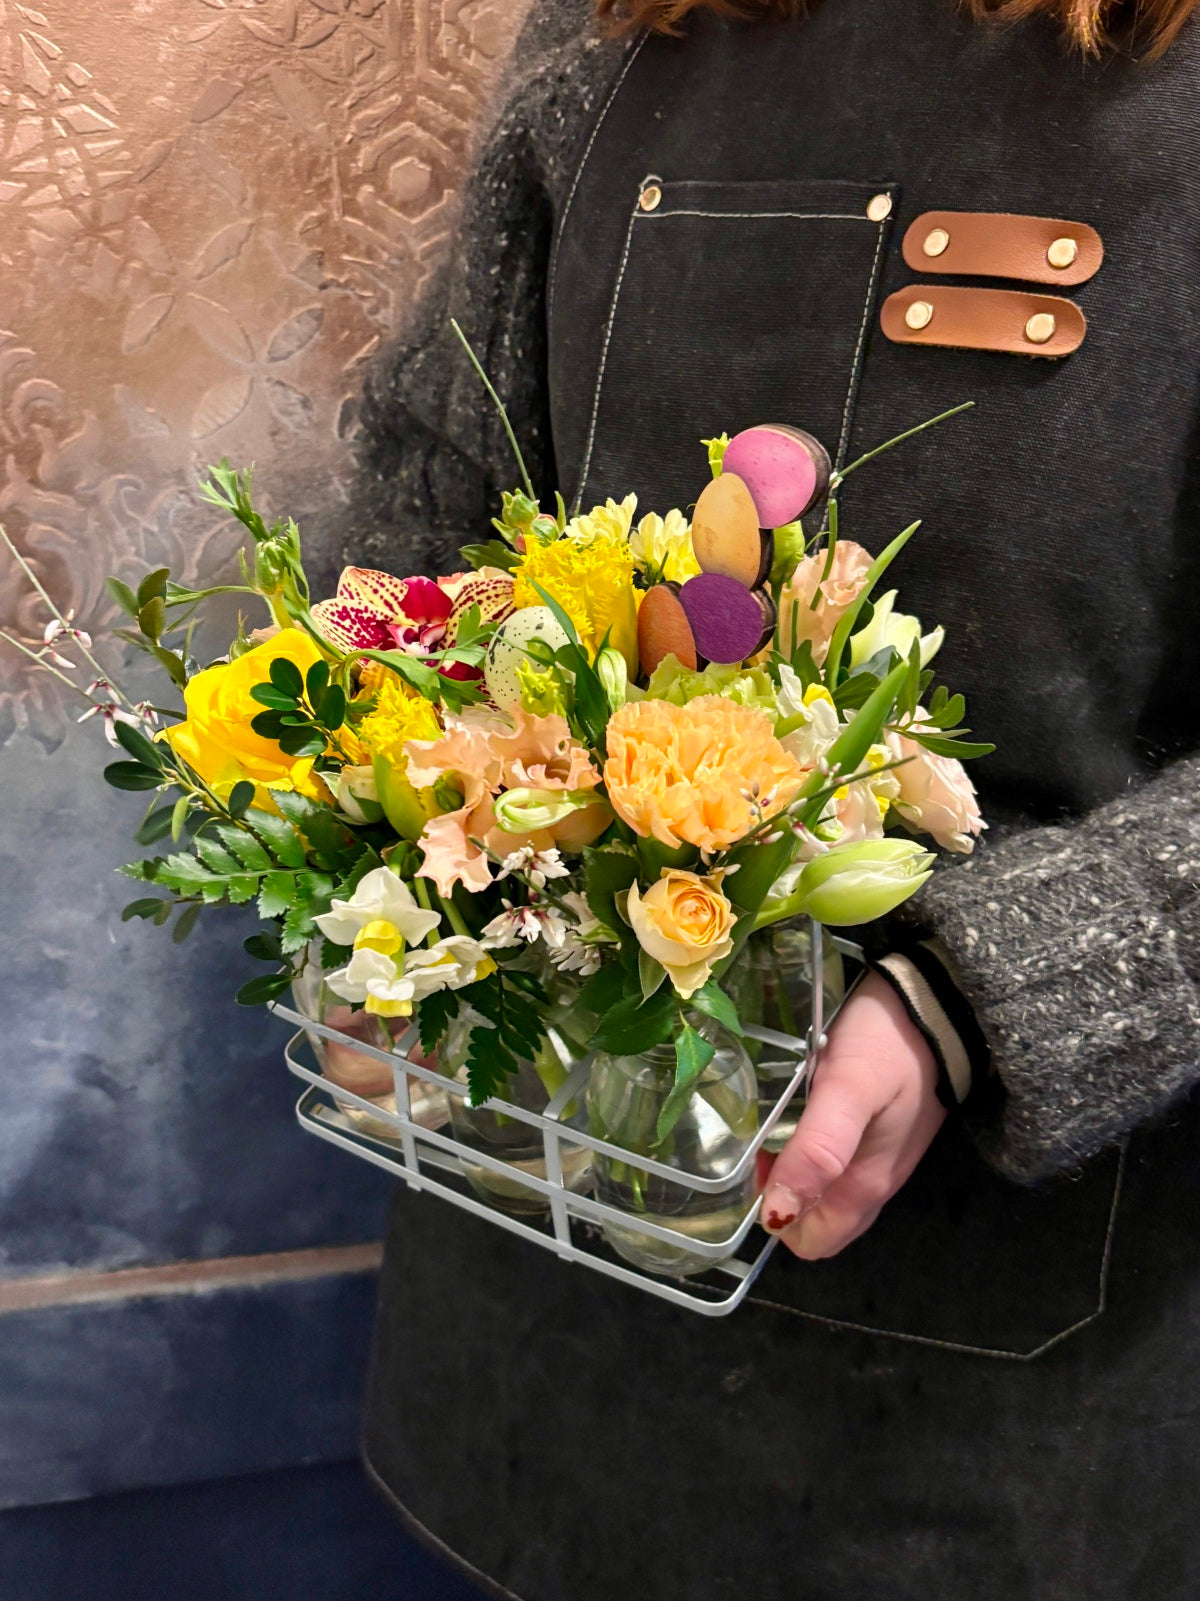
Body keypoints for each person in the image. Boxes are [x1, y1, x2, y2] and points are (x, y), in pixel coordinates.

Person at [353, 1, 1200, 1595]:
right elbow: (431, 492)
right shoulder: (611, 36)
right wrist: (399, 806)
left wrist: (980, 991)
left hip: (983, 1399)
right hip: (533, 1313)